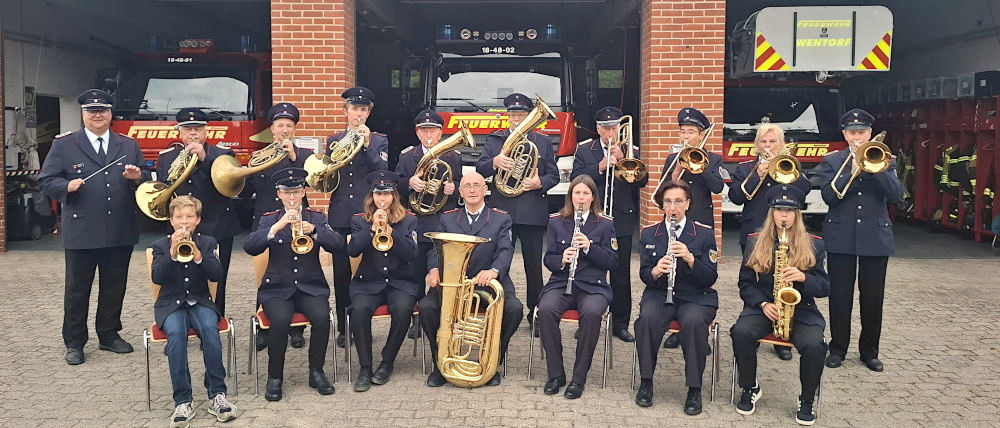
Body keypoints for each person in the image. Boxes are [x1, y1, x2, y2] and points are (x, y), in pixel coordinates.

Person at [39, 89, 148, 365]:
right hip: (82, 230)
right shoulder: (65, 145)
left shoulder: (127, 145)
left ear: (111, 114)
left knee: (114, 286)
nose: (97, 114)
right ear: (83, 114)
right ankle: (75, 342)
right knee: (78, 289)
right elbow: (46, 180)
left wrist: (138, 177)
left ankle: (109, 335)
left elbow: (145, 178)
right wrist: (66, 186)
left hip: (119, 228)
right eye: (91, 110)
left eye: (103, 110)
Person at [730, 185, 829, 426]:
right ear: (771, 213)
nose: (784, 215)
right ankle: (749, 387)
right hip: (764, 306)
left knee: (815, 345)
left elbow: (825, 287)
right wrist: (762, 303)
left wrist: (804, 278)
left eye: (789, 211)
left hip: (802, 308)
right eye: (779, 210)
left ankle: (806, 400)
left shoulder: (814, 244)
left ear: (797, 214)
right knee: (740, 332)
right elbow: (745, 284)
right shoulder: (755, 242)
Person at [244, 168, 344, 401]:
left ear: (303, 193)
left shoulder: (316, 217)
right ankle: (275, 377)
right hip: (277, 288)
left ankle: (316, 371)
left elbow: (338, 246)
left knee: (321, 318)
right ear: (279, 193)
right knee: (279, 321)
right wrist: (276, 227)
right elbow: (250, 247)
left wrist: (316, 231)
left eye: (297, 192)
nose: (292, 197)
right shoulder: (269, 219)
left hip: (311, 285)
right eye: (287, 193)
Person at [816, 108, 903, 372]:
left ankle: (870, 351)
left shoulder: (886, 159)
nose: (857, 137)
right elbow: (829, 197)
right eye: (852, 133)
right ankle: (838, 348)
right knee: (840, 296)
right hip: (841, 236)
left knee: (872, 297)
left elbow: (897, 195)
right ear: (844, 134)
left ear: (870, 134)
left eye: (862, 132)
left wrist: (875, 168)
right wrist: (851, 171)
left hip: (875, 238)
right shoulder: (833, 161)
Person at [419, 172, 524, 387]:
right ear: (460, 191)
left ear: (486, 190)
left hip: (489, 281)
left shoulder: (501, 217)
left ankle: (492, 363)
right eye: (467, 186)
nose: (473, 190)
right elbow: (434, 252)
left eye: (477, 185)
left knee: (514, 309)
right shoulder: (447, 218)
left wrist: (494, 271)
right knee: (427, 307)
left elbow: (505, 250)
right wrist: (433, 269)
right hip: (453, 283)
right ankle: (441, 363)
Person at [633, 180, 718, 415]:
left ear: (688, 204)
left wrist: (691, 259)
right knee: (647, 319)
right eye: (668, 202)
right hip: (660, 293)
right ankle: (646, 382)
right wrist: (655, 271)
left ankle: (694, 388)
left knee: (692, 322)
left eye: (679, 201)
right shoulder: (650, 233)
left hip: (696, 296)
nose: (673, 207)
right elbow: (644, 274)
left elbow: (711, 276)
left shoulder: (703, 234)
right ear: (662, 205)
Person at [476, 93, 560, 331]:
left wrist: (539, 183)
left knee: (533, 268)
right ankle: (498, 309)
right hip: (502, 213)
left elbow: (553, 175)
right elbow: (480, 169)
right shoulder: (495, 140)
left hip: (532, 212)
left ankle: (536, 315)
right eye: (513, 115)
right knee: (497, 264)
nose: (517, 120)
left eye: (522, 115)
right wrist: (495, 162)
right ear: (507, 117)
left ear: (530, 117)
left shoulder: (542, 141)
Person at [728, 123, 812, 361]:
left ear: (781, 144)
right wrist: (759, 173)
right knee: (754, 281)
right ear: (757, 145)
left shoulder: (789, 165)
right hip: (754, 234)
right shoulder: (746, 167)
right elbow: (736, 197)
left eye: (772, 141)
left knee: (783, 280)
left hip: (785, 232)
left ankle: (782, 337)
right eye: (763, 142)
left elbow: (804, 191)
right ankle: (754, 329)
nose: (767, 146)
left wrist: (783, 169)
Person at [151, 196, 237, 426]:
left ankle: (217, 394)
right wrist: (171, 252)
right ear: (171, 220)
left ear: (198, 220)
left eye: (190, 217)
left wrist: (198, 255)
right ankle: (182, 400)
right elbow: (157, 277)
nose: (184, 222)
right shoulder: (161, 245)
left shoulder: (208, 242)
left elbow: (216, 274)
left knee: (210, 330)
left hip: (200, 301)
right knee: (176, 336)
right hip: (170, 304)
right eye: (179, 217)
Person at [571, 106, 647, 343]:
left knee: (620, 274)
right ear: (598, 129)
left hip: (621, 219)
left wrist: (625, 160)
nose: (610, 132)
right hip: (592, 219)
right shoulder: (586, 150)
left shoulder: (631, 149)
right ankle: (587, 320)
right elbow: (575, 179)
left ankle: (620, 323)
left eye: (614, 127)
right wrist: (601, 166)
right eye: (605, 128)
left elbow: (643, 183)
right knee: (588, 271)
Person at [537, 175, 618, 399]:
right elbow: (549, 259)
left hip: (593, 286)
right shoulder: (556, 221)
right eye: (576, 193)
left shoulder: (605, 224)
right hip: (562, 282)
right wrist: (562, 258)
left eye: (585, 193)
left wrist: (590, 247)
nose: (580, 198)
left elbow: (612, 262)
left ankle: (578, 378)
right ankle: (556, 374)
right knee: (545, 309)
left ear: (593, 197)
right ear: (570, 196)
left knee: (592, 313)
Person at [241, 103, 314, 351]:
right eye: (280, 125)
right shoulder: (258, 156)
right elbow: (247, 191)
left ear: (295, 129)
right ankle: (265, 326)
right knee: (264, 273)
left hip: (296, 218)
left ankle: (296, 329)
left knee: (298, 269)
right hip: (265, 219)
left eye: (289, 126)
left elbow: (313, 180)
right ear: (272, 128)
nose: (284, 130)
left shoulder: (305, 155)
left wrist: (294, 157)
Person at [156, 108, 241, 316]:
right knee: (177, 280)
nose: (192, 134)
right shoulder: (167, 159)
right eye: (187, 130)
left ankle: (214, 323)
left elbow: (230, 184)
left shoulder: (223, 155)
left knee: (216, 281)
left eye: (197, 129)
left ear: (206, 131)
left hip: (218, 227)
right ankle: (178, 325)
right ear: (179, 133)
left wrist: (204, 159)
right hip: (181, 227)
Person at [653, 107, 723, 350]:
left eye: (690, 132)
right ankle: (679, 324)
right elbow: (661, 193)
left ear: (701, 134)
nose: (685, 136)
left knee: (698, 269)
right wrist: (675, 173)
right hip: (675, 221)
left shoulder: (713, 159)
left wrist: (700, 166)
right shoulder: (672, 159)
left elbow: (718, 188)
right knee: (675, 268)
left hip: (700, 224)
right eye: (682, 131)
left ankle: (693, 325)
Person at [324, 86, 390, 348]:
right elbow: (326, 175)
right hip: (340, 214)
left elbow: (382, 170)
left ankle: (363, 325)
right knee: (341, 275)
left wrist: (367, 145)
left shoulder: (380, 140)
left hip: (367, 214)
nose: (358, 114)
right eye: (354, 109)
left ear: (369, 112)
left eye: (363, 110)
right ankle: (344, 327)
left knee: (366, 273)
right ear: (346, 111)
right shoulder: (334, 139)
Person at [346, 170, 419, 392]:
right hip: (368, 282)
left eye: (386, 194)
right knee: (358, 310)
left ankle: (387, 361)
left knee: (404, 308)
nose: (382, 199)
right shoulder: (359, 220)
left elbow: (411, 254)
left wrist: (390, 232)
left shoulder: (409, 220)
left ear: (394, 196)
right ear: (372, 196)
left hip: (400, 281)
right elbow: (352, 250)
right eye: (378, 194)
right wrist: (371, 229)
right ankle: (365, 367)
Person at [394, 109, 462, 338]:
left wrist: (454, 189)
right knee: (415, 273)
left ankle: (443, 316)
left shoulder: (453, 157)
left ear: (441, 132)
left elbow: (459, 183)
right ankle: (416, 319)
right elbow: (396, 186)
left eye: (432, 130)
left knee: (444, 274)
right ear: (417, 133)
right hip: (417, 224)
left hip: (442, 223)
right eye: (424, 130)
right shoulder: (407, 157)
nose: (428, 134)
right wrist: (410, 183)